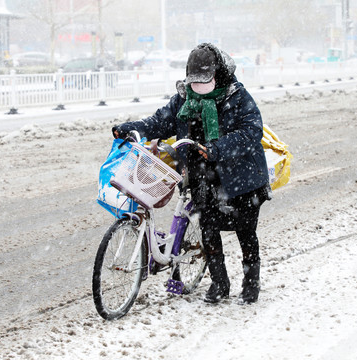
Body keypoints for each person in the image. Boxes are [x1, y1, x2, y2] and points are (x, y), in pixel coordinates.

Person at [112, 43, 270, 304]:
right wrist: (131, 128)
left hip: (241, 178)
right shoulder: (184, 99)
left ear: (218, 74)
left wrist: (217, 148)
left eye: (204, 80)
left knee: (245, 232)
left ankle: (251, 282)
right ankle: (220, 283)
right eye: (193, 80)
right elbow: (159, 121)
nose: (198, 86)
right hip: (203, 176)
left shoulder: (237, 96)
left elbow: (252, 132)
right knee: (208, 229)